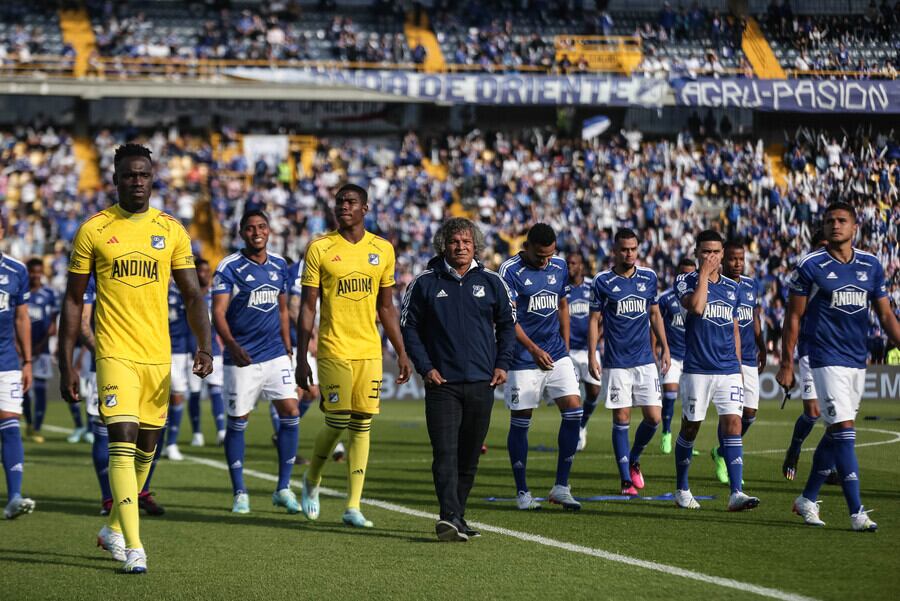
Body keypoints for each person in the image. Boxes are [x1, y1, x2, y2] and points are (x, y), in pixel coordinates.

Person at [58, 143, 213, 574]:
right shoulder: (94, 229)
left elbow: (193, 294)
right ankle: (134, 545)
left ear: (153, 176)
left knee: (148, 445)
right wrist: (65, 361)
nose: (137, 182)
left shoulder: (172, 230)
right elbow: (73, 302)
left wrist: (204, 344)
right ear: (116, 179)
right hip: (113, 351)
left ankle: (112, 527)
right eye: (129, 175)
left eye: (143, 174)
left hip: (157, 355)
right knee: (122, 437)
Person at [295, 183, 412, 528]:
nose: (343, 207)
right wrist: (302, 355)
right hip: (333, 346)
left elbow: (387, 307)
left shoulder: (383, 249)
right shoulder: (319, 248)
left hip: (369, 350)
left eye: (350, 202)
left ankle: (353, 505)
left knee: (362, 423)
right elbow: (307, 307)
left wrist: (401, 351)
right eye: (339, 202)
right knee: (337, 420)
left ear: (365, 208)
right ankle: (312, 480)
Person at [778, 202, 900, 531]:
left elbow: (886, 315)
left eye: (842, 220)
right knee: (845, 433)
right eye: (830, 220)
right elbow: (793, 318)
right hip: (822, 358)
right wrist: (787, 363)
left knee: (834, 436)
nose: (835, 225)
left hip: (855, 362)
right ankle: (857, 511)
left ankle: (806, 499)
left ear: (854, 226)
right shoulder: (810, 265)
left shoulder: (871, 266)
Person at [401, 217, 516, 542]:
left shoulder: (492, 282)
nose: (461, 247)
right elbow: (409, 328)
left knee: (468, 455)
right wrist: (426, 367)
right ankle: (448, 516)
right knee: (445, 453)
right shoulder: (424, 283)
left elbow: (507, 325)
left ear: (475, 245)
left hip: (482, 382)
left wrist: (502, 364)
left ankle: (457, 516)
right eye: (454, 242)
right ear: (444, 245)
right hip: (442, 385)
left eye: (466, 242)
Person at [212, 210, 299, 515]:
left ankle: (283, 488)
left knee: (291, 410)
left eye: (262, 227)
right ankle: (240, 492)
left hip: (275, 353)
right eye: (250, 228)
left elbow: (283, 310)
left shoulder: (279, 265)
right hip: (242, 357)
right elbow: (218, 313)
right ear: (242, 233)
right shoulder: (229, 267)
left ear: (269, 231)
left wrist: (288, 348)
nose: (257, 232)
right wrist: (231, 345)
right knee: (239, 422)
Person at [672, 229, 759, 512]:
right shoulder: (684, 281)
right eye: (706, 251)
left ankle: (736, 492)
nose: (711, 256)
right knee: (691, 428)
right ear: (697, 253)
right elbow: (697, 307)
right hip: (698, 369)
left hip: (728, 369)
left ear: (722, 254)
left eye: (715, 252)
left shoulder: (733, 288)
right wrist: (703, 276)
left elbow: (734, 327)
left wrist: (738, 363)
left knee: (733, 423)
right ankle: (682, 488)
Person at [499, 223, 583, 512]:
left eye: (550, 254)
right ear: (527, 247)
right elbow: (508, 318)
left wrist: (566, 346)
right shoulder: (509, 270)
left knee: (574, 411)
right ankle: (522, 491)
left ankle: (561, 487)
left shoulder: (559, 266)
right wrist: (533, 349)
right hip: (523, 357)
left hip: (556, 353)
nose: (546, 260)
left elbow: (562, 304)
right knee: (522, 420)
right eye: (540, 256)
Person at [587, 229, 670, 496]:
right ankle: (625, 480)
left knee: (654, 418)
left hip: (645, 360)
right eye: (624, 249)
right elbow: (594, 320)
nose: (629, 253)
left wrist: (665, 348)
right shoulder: (602, 281)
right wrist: (592, 354)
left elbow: (655, 315)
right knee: (622, 417)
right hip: (617, 362)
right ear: (615, 251)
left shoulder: (649, 277)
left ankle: (634, 458)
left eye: (633, 248)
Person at [81, 275, 166, 517]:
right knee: (108, 429)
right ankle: (109, 498)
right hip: (110, 364)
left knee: (152, 430)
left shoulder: (144, 267)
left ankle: (141, 491)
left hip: (149, 362)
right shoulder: (92, 277)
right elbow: (82, 322)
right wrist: (110, 356)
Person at [710, 240, 766, 485]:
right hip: (727, 358)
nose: (738, 263)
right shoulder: (717, 286)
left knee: (750, 414)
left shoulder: (752, 285)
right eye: (733, 258)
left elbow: (754, 317)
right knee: (731, 414)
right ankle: (727, 457)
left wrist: (762, 345)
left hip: (750, 357)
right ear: (723, 259)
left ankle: (721, 451)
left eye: (741, 259)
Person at [782, 231, 829, 481]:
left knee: (838, 417)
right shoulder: (807, 270)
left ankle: (828, 466)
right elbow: (792, 316)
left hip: (840, 352)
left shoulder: (846, 270)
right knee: (812, 412)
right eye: (820, 246)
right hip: (811, 349)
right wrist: (787, 360)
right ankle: (795, 448)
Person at [0, 243, 34, 520]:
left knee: (10, 424)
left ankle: (14, 497)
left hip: (6, 361)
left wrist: (28, 361)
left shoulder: (16, 269)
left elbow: (22, 317)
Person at [655, 258, 696, 454]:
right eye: (684, 273)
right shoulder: (665, 298)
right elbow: (655, 324)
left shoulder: (700, 298)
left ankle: (686, 439)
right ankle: (666, 432)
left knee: (691, 402)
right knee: (670, 393)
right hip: (671, 355)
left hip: (693, 358)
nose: (687, 277)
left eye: (691, 273)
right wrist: (656, 349)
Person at [564, 251, 601, 452]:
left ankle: (582, 425)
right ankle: (573, 431)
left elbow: (602, 315)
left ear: (581, 267)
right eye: (568, 262)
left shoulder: (592, 286)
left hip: (590, 349)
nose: (569, 266)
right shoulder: (562, 288)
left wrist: (598, 337)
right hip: (569, 351)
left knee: (594, 391)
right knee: (573, 395)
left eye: (573, 263)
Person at [21, 258, 59, 444]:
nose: (35, 275)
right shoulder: (20, 291)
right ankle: (28, 423)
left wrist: (39, 346)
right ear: (27, 272)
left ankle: (37, 427)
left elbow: (53, 325)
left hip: (42, 349)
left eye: (38, 271)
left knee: (41, 389)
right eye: (32, 271)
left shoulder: (49, 293)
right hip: (22, 350)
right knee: (25, 390)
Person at [162, 281, 196, 460]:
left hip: (178, 351)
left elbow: (190, 321)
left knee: (177, 394)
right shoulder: (150, 287)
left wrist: (193, 350)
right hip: (153, 349)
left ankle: (171, 443)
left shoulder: (179, 292)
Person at [195, 258, 226, 446]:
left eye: (208, 271)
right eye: (201, 271)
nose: (205, 274)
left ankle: (221, 430)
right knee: (193, 392)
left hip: (214, 349)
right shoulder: (189, 294)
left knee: (216, 389)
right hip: (189, 350)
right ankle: (196, 432)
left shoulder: (216, 294)